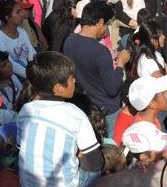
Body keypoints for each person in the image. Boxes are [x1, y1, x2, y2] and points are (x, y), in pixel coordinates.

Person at [17, 51, 104, 187]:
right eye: (71, 79)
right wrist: (76, 158)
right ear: (58, 88)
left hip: (27, 184)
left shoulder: (25, 111)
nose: (75, 81)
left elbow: (22, 147)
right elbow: (96, 163)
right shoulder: (74, 114)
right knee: (96, 169)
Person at [63, 0, 129, 138]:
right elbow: (112, 88)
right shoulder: (100, 51)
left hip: (85, 107)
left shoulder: (69, 41)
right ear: (99, 22)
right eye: (106, 24)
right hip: (106, 111)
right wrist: (121, 64)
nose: (106, 30)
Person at [0, 0, 38, 80]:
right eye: (18, 12)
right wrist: (32, 76)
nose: (22, 14)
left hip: (29, 72)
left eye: (21, 11)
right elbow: (11, 64)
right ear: (7, 17)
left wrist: (37, 66)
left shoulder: (21, 31)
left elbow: (31, 52)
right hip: (15, 78)